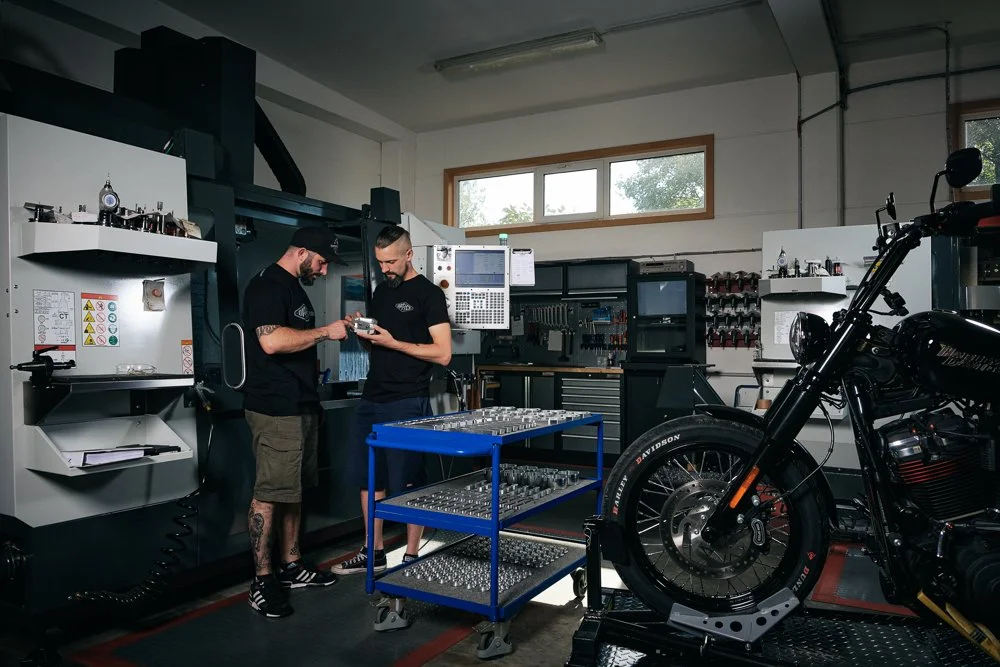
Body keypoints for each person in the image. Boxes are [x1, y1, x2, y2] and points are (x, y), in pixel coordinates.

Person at [242, 225, 349, 618]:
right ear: (301, 252)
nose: (322, 271)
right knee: (270, 491)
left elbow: (296, 338)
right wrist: (325, 331)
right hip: (274, 407)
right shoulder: (268, 285)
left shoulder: (294, 289)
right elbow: (270, 341)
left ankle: (291, 565)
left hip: (301, 403)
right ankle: (262, 579)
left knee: (295, 488)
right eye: (321, 262)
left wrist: (335, 330)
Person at [333, 226, 452, 575]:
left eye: (390, 261)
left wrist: (393, 342)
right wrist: (361, 331)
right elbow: (376, 343)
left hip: (408, 400)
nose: (385, 268)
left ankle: (412, 556)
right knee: (370, 480)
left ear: (408, 255)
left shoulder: (429, 295)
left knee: (409, 481)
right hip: (373, 398)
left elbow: (443, 354)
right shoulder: (381, 292)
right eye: (380, 262)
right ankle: (374, 551)